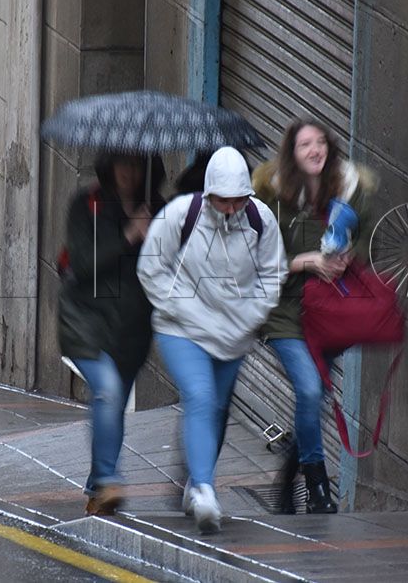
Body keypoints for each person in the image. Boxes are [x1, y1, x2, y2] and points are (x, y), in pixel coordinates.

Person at [137, 146, 286, 534]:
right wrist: (187, 308)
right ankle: (204, 488)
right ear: (208, 194)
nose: (231, 209)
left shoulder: (260, 220)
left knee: (217, 409)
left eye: (238, 200)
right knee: (200, 397)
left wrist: (249, 316)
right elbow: (150, 268)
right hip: (181, 329)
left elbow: (273, 274)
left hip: (233, 335)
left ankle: (196, 481)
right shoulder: (180, 215)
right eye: (223, 200)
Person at [252, 118, 377, 513]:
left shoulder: (348, 194)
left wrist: (345, 259)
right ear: (292, 153)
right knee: (309, 390)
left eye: (320, 142)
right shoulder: (272, 199)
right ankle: (319, 488)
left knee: (314, 397)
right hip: (285, 314)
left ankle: (288, 481)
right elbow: (254, 262)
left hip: (328, 316)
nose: (314, 150)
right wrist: (303, 261)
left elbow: (365, 247)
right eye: (305, 144)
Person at [58, 153, 165, 516]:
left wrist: (156, 237)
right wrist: (129, 235)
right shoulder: (86, 204)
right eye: (121, 162)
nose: (128, 171)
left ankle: (97, 488)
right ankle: (106, 480)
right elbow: (83, 263)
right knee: (107, 391)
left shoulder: (158, 209)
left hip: (130, 327)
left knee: (114, 404)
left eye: (135, 163)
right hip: (85, 320)